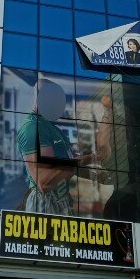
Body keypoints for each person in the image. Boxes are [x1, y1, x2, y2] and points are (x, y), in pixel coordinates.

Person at [17, 79, 104, 214]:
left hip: (62, 200)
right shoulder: (32, 127)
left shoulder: (52, 128)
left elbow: (69, 166)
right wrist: (90, 158)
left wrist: (95, 163)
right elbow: (45, 181)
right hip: (45, 203)